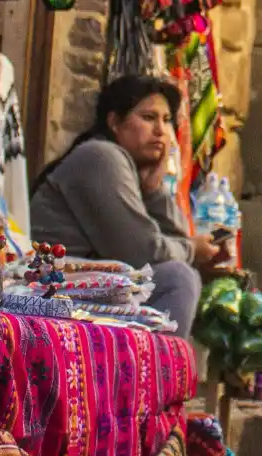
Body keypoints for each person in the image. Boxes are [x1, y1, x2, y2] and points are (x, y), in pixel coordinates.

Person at [30, 74, 231, 330]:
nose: (161, 131)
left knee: (180, 273)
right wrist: (193, 248)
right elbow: (144, 253)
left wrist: (154, 189)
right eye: (148, 118)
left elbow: (170, 246)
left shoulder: (126, 165)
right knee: (177, 279)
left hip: (89, 286)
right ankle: (159, 370)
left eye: (166, 120)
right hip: (53, 287)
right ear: (114, 122)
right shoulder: (101, 157)